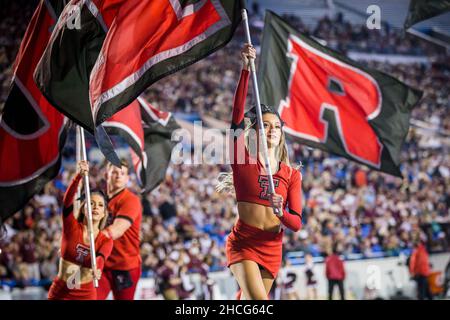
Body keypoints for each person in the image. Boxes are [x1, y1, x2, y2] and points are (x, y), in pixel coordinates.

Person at [216, 44, 303, 300]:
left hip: (272, 246)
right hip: (245, 242)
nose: (272, 130)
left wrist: (282, 213)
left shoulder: (292, 174)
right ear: (254, 132)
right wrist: (245, 70)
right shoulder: (243, 161)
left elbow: (296, 223)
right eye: (265, 126)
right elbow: (235, 119)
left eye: (276, 126)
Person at [48, 160, 113, 300]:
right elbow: (67, 202)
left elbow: (101, 257)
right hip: (60, 293)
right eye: (91, 203)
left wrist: (98, 268)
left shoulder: (106, 240)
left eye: (100, 205)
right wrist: (78, 177)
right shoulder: (71, 226)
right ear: (83, 208)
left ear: (104, 214)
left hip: (85, 294)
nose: (95, 207)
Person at [97, 159, 143, 300]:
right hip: (102, 264)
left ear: (127, 178)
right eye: (114, 172)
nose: (118, 176)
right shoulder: (97, 199)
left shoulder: (131, 200)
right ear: (106, 175)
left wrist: (88, 240)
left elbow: (117, 230)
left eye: (122, 173)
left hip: (125, 266)